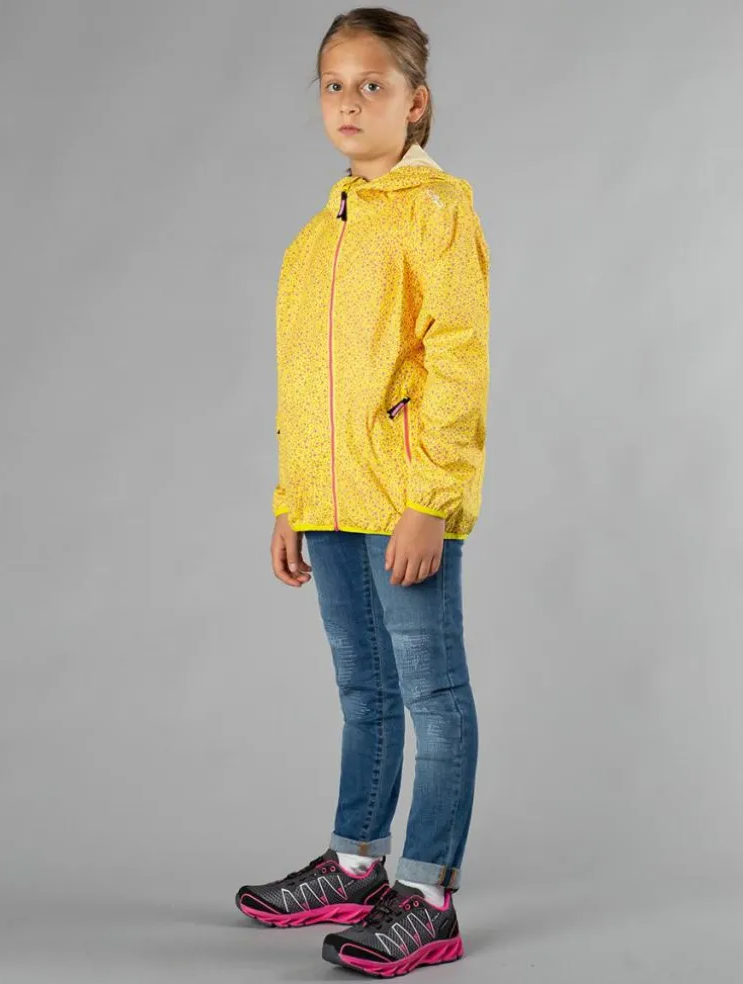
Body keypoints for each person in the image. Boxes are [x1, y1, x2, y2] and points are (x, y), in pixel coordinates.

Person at [234, 7, 490, 976]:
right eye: (335, 85)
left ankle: (427, 895)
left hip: (405, 503)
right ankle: (355, 865)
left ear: (414, 102)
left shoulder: (438, 210)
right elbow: (301, 382)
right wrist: (290, 498)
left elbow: (458, 361)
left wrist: (431, 498)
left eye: (371, 85)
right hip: (332, 504)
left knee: (433, 691)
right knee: (364, 690)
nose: (349, 101)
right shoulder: (315, 239)